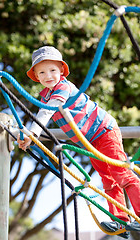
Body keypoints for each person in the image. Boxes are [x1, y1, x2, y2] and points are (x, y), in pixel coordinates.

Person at [17, 46, 140, 238]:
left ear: (61, 71)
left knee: (121, 174)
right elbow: (43, 113)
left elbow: (47, 112)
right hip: (91, 141)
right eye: (42, 72)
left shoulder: (63, 88)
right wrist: (29, 138)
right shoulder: (46, 95)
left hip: (104, 131)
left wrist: (31, 132)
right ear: (36, 76)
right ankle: (121, 220)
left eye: (52, 70)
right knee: (107, 179)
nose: (48, 75)